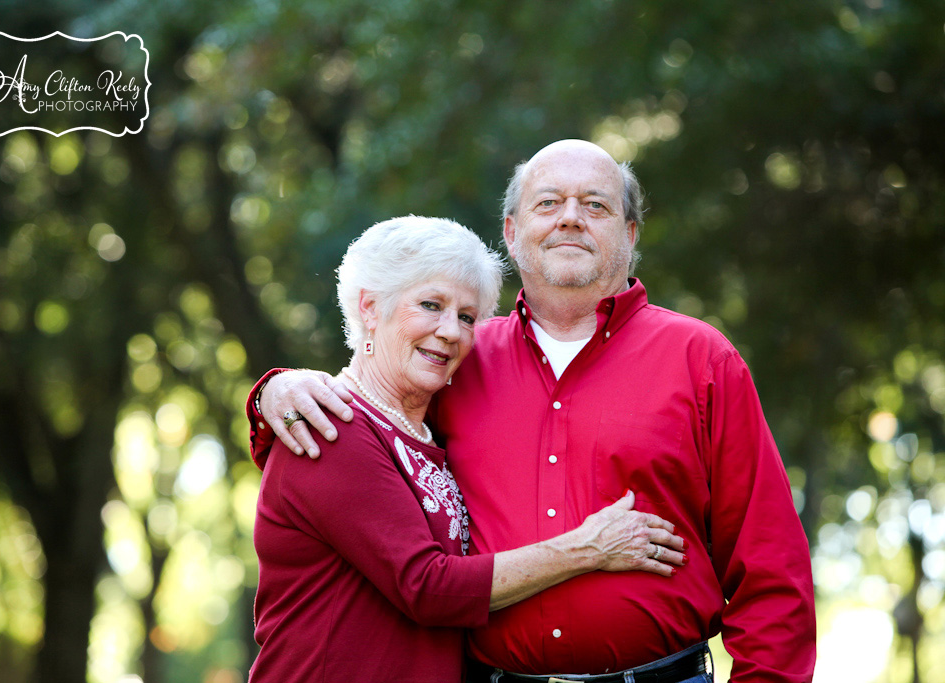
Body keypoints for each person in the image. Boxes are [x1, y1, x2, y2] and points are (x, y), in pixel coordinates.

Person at [252, 141, 817, 682]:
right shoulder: (458, 360)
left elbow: (772, 568)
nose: (570, 218)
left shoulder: (700, 360)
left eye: (595, 205)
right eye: (547, 203)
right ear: (512, 233)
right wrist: (275, 391)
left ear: (629, 233)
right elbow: (365, 415)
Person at [246, 214, 687, 683]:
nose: (451, 331)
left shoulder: (426, 432)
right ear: (370, 308)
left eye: (466, 317)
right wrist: (587, 547)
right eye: (431, 305)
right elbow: (427, 587)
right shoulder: (333, 427)